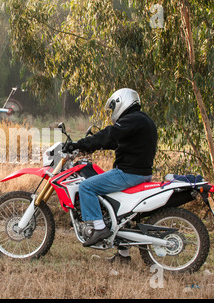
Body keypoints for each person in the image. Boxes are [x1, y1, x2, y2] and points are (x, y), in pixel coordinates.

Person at [65, 88, 158, 262]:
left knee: (86, 186)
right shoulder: (141, 120)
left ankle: (99, 227)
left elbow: (109, 134)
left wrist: (79, 144)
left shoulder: (132, 119)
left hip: (129, 173)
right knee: (121, 214)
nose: (112, 112)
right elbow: (115, 141)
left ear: (121, 102)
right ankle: (123, 256)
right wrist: (90, 146)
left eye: (113, 107)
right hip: (140, 172)